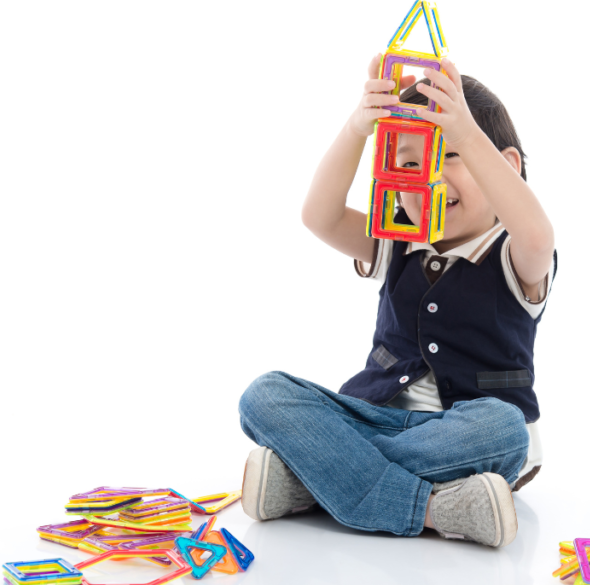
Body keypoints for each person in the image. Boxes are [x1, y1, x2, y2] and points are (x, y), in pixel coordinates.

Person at [238, 54, 556, 548]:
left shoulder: (516, 255)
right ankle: (434, 506)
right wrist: (355, 129)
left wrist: (467, 132)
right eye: (411, 162)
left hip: (468, 432)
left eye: (452, 156)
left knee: (506, 428)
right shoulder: (398, 240)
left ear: (505, 168)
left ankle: (313, 476)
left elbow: (539, 235)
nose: (430, 176)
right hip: (376, 414)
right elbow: (318, 216)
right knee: (264, 395)